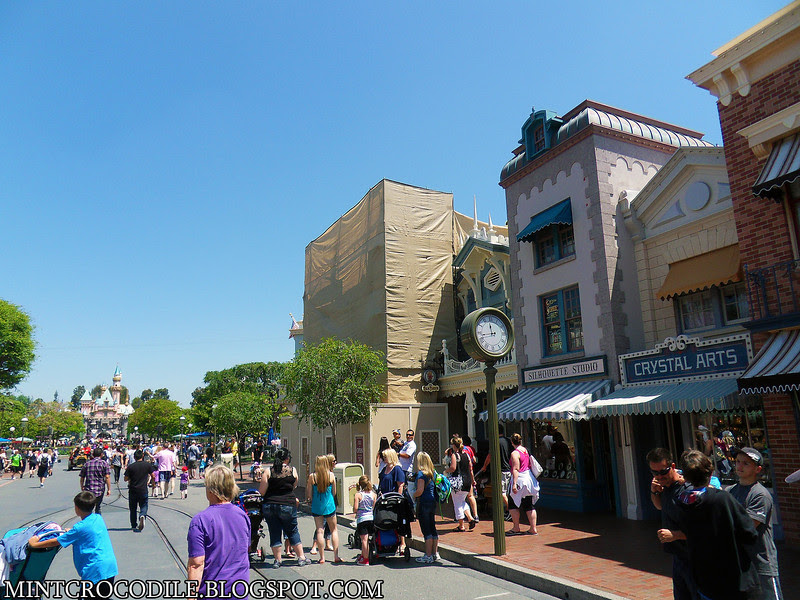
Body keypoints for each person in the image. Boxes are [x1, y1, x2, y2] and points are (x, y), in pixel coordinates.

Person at [676, 450, 759, 600]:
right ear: (710, 473)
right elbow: (749, 532)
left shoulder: (681, 501)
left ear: (686, 476)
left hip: (704, 577)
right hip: (732, 577)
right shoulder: (722, 499)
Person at [28, 491, 118, 599]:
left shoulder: (79, 528)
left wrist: (35, 543)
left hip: (94, 570)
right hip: (109, 567)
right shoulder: (97, 518)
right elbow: (87, 531)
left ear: (77, 508)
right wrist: (72, 532)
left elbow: (56, 541)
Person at [728, 447, 784, 600]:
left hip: (761, 564)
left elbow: (746, 527)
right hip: (742, 565)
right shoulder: (731, 491)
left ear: (757, 469)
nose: (739, 466)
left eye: (746, 463)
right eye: (738, 461)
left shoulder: (760, 494)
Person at [187, 465, 250, 598]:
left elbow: (196, 564)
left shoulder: (200, 521)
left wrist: (191, 596)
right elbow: (245, 548)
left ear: (211, 490)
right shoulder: (242, 516)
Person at [647, 448, 696, 600]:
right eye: (654, 472)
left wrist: (674, 535)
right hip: (678, 556)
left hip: (694, 557)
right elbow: (660, 506)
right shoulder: (664, 487)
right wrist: (654, 491)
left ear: (672, 466)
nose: (659, 476)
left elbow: (700, 528)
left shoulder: (688, 488)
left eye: (663, 471)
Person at [260, 447, 310, 567]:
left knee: (274, 531)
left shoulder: (268, 471)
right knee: (292, 531)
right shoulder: (292, 471)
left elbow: (262, 492)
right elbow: (294, 486)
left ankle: (277, 560)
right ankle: (301, 557)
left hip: (271, 505)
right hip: (288, 504)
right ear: (287, 459)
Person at [305, 455, 340, 564]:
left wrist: (310, 499)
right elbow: (334, 492)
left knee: (320, 530)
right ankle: (336, 556)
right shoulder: (331, 475)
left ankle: (322, 557)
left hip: (317, 505)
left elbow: (309, 494)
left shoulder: (312, 477)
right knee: (334, 530)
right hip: (329, 505)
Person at [475, 425, 513, 519]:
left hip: (501, 470)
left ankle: (511, 511)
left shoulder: (495, 442)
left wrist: (484, 466)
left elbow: (490, 456)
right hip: (509, 470)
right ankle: (507, 510)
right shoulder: (508, 441)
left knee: (502, 493)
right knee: (507, 492)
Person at [507, 433, 539, 536]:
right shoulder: (525, 450)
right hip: (529, 479)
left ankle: (516, 527)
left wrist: (514, 484)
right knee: (529, 504)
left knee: (512, 504)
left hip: (520, 479)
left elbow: (516, 469)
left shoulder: (515, 453)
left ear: (512, 442)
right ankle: (533, 528)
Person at [445, 435, 477, 532]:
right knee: (462, 501)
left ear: (454, 445)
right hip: (467, 481)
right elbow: (470, 469)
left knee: (457, 503)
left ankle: (461, 525)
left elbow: (453, 468)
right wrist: (473, 480)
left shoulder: (455, 455)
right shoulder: (466, 455)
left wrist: (446, 470)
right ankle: (470, 518)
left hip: (458, 482)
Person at [413, 451, 439, 563]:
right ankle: (434, 553)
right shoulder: (432, 473)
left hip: (424, 502)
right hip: (432, 502)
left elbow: (420, 490)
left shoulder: (421, 474)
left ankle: (428, 555)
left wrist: (413, 494)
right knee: (432, 527)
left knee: (426, 529)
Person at [124, 449, 155, 532]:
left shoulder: (131, 466)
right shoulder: (147, 465)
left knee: (133, 508)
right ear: (142, 456)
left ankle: (134, 525)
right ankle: (142, 515)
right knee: (144, 505)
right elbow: (153, 475)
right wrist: (153, 484)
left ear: (134, 457)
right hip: (143, 489)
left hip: (133, 490)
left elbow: (125, 479)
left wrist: (130, 477)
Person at [352, 475, 376, 565]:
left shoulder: (358, 495)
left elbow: (355, 509)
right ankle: (363, 555)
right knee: (367, 539)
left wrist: (355, 510)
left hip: (362, 519)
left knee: (364, 540)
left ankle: (365, 560)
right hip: (371, 519)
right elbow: (374, 507)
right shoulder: (373, 495)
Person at [80, 448, 111, 514]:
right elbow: (107, 477)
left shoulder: (87, 464)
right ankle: (97, 518)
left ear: (93, 454)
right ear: (101, 454)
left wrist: (82, 486)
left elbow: (82, 477)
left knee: (88, 507)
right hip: (100, 489)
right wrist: (109, 489)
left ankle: (89, 518)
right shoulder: (104, 463)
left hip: (88, 489)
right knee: (98, 506)